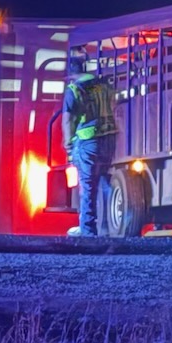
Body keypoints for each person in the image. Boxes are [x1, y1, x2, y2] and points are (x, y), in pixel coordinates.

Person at [62, 52, 118, 236]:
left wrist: (69, 144)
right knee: (103, 179)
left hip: (87, 141)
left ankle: (87, 228)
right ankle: (109, 224)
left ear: (71, 73)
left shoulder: (75, 89)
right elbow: (114, 104)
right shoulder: (103, 85)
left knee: (87, 184)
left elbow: (68, 120)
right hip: (109, 137)